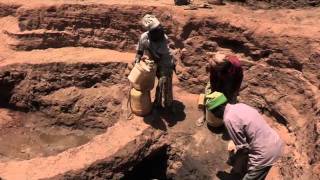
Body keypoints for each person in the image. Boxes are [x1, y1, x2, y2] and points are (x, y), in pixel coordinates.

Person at [208, 92, 284, 180]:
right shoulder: (240, 106)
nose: (214, 115)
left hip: (265, 154)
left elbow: (244, 150)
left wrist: (235, 164)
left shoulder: (228, 119)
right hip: (275, 142)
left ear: (218, 109)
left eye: (213, 112)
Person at [134, 14, 176, 113]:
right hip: (152, 59)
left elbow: (161, 56)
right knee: (144, 80)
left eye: (159, 27)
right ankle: (156, 104)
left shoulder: (163, 38)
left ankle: (167, 105)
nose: (159, 30)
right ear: (150, 31)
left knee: (164, 81)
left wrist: (152, 62)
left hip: (165, 60)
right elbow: (140, 51)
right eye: (155, 30)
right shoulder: (144, 37)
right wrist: (137, 61)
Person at [196, 53, 243, 126]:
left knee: (230, 102)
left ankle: (227, 122)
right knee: (207, 97)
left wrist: (234, 91)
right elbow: (212, 78)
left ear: (224, 65)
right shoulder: (213, 63)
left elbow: (239, 79)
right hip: (216, 81)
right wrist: (214, 91)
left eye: (218, 68)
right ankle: (204, 116)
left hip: (230, 82)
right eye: (215, 68)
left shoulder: (236, 65)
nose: (216, 69)